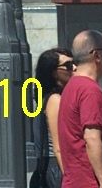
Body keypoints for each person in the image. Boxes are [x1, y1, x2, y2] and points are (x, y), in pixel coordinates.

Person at [58, 31, 102, 188]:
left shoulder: (72, 86)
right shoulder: (89, 90)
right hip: (90, 183)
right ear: (97, 55)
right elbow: (92, 138)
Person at [34, 48, 75, 188]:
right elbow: (58, 147)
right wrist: (71, 180)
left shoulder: (53, 97)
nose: (74, 68)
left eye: (75, 63)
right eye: (68, 65)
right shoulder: (55, 100)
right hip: (57, 167)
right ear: (53, 72)